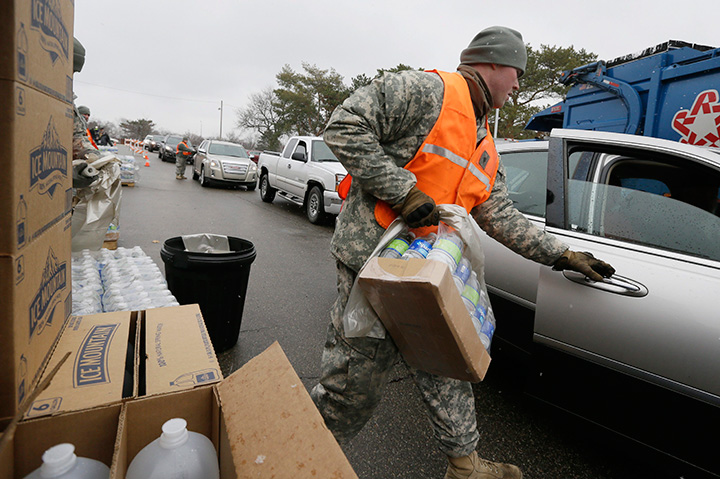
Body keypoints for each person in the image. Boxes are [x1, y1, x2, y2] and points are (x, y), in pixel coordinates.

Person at [310, 26, 615, 479]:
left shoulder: (486, 143)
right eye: (516, 73)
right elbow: (344, 125)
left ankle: (465, 468)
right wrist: (403, 192)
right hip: (376, 269)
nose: (517, 85)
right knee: (354, 386)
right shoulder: (425, 90)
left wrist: (561, 255)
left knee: (448, 368)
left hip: (433, 274)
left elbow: (498, 212)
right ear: (492, 62)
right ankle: (290, 450)